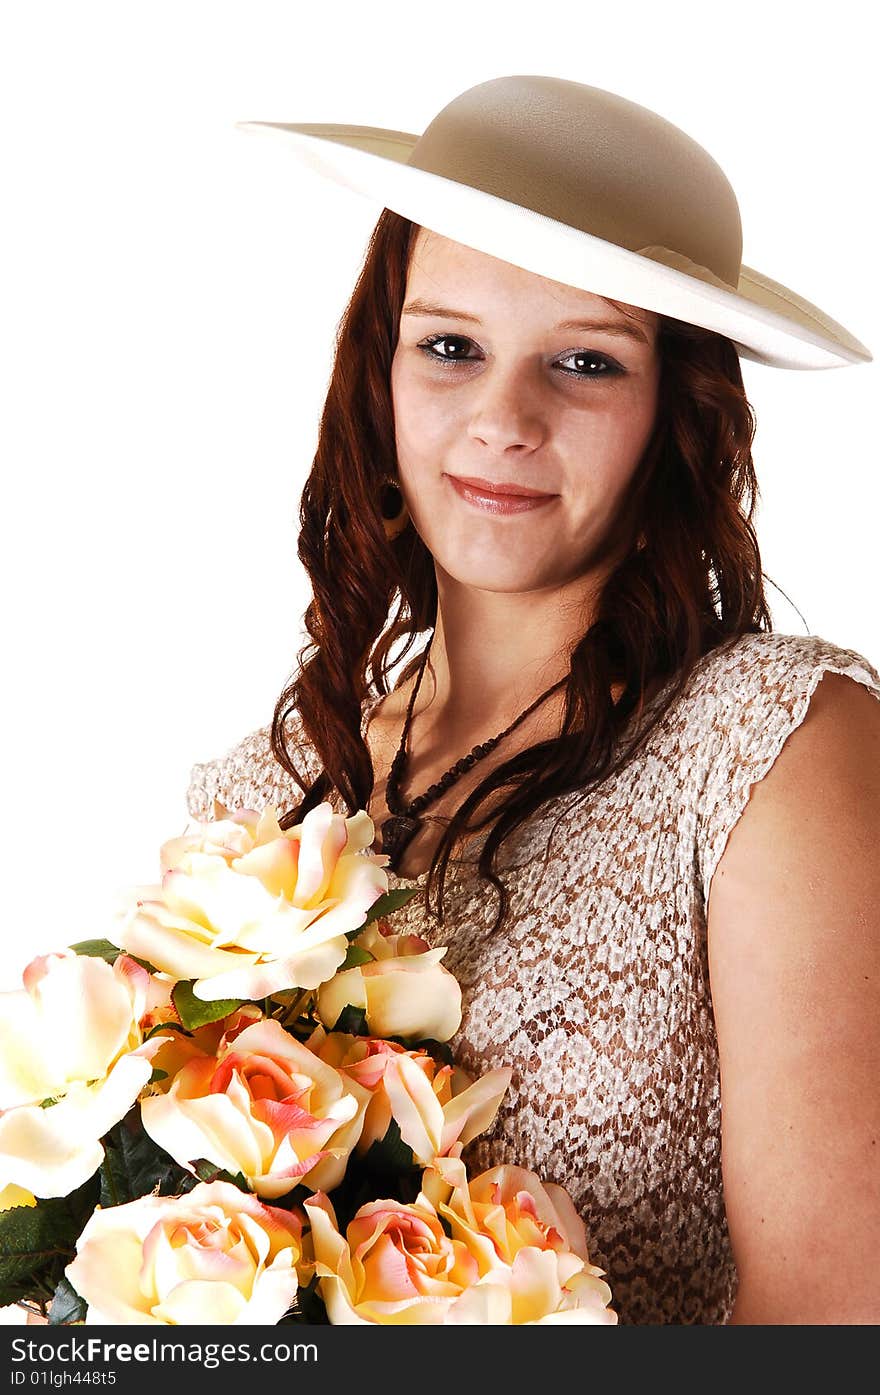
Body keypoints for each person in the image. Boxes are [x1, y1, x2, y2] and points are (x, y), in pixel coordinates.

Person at [186, 77, 880, 1324]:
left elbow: (836, 1332)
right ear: (378, 371)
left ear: (676, 410)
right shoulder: (262, 796)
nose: (502, 419)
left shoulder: (775, 750)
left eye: (583, 362)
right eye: (450, 346)